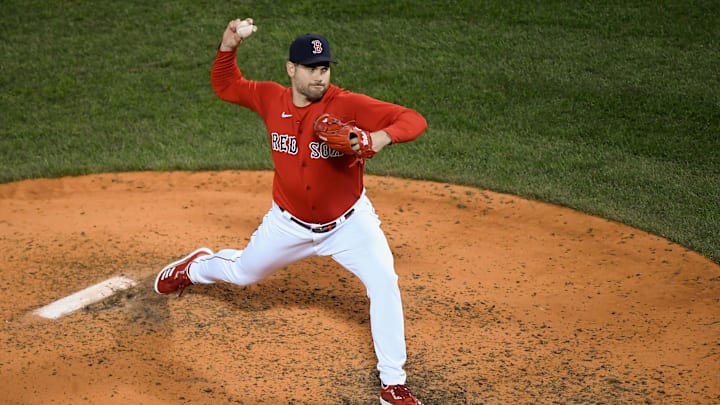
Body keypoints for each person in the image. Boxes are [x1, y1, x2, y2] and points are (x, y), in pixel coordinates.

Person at [154, 17, 427, 405]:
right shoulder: (270, 98)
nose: (320, 76)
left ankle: (393, 384)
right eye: (312, 69)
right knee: (243, 272)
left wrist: (379, 136)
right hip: (288, 225)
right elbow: (226, 86)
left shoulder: (347, 104)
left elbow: (414, 120)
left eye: (325, 68)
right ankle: (195, 268)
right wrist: (228, 45)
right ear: (291, 69)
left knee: (384, 282)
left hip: (349, 225)